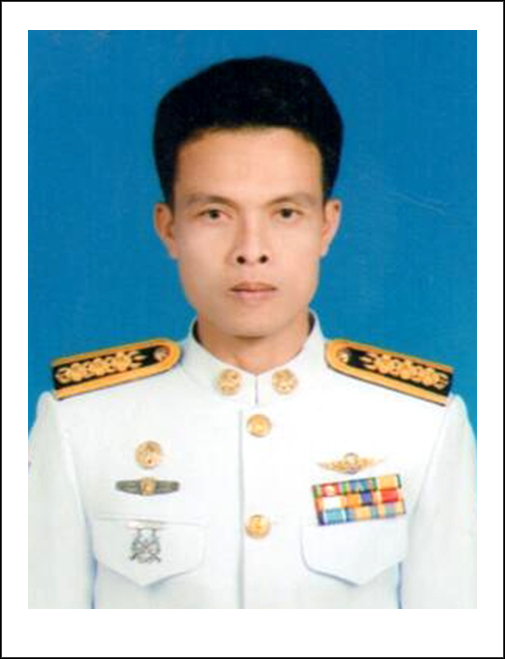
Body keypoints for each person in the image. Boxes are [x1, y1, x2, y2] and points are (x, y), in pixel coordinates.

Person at [28, 55, 476, 609]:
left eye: (285, 213)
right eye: (215, 214)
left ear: (327, 225)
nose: (251, 250)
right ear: (169, 228)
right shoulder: (79, 424)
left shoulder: (421, 424)